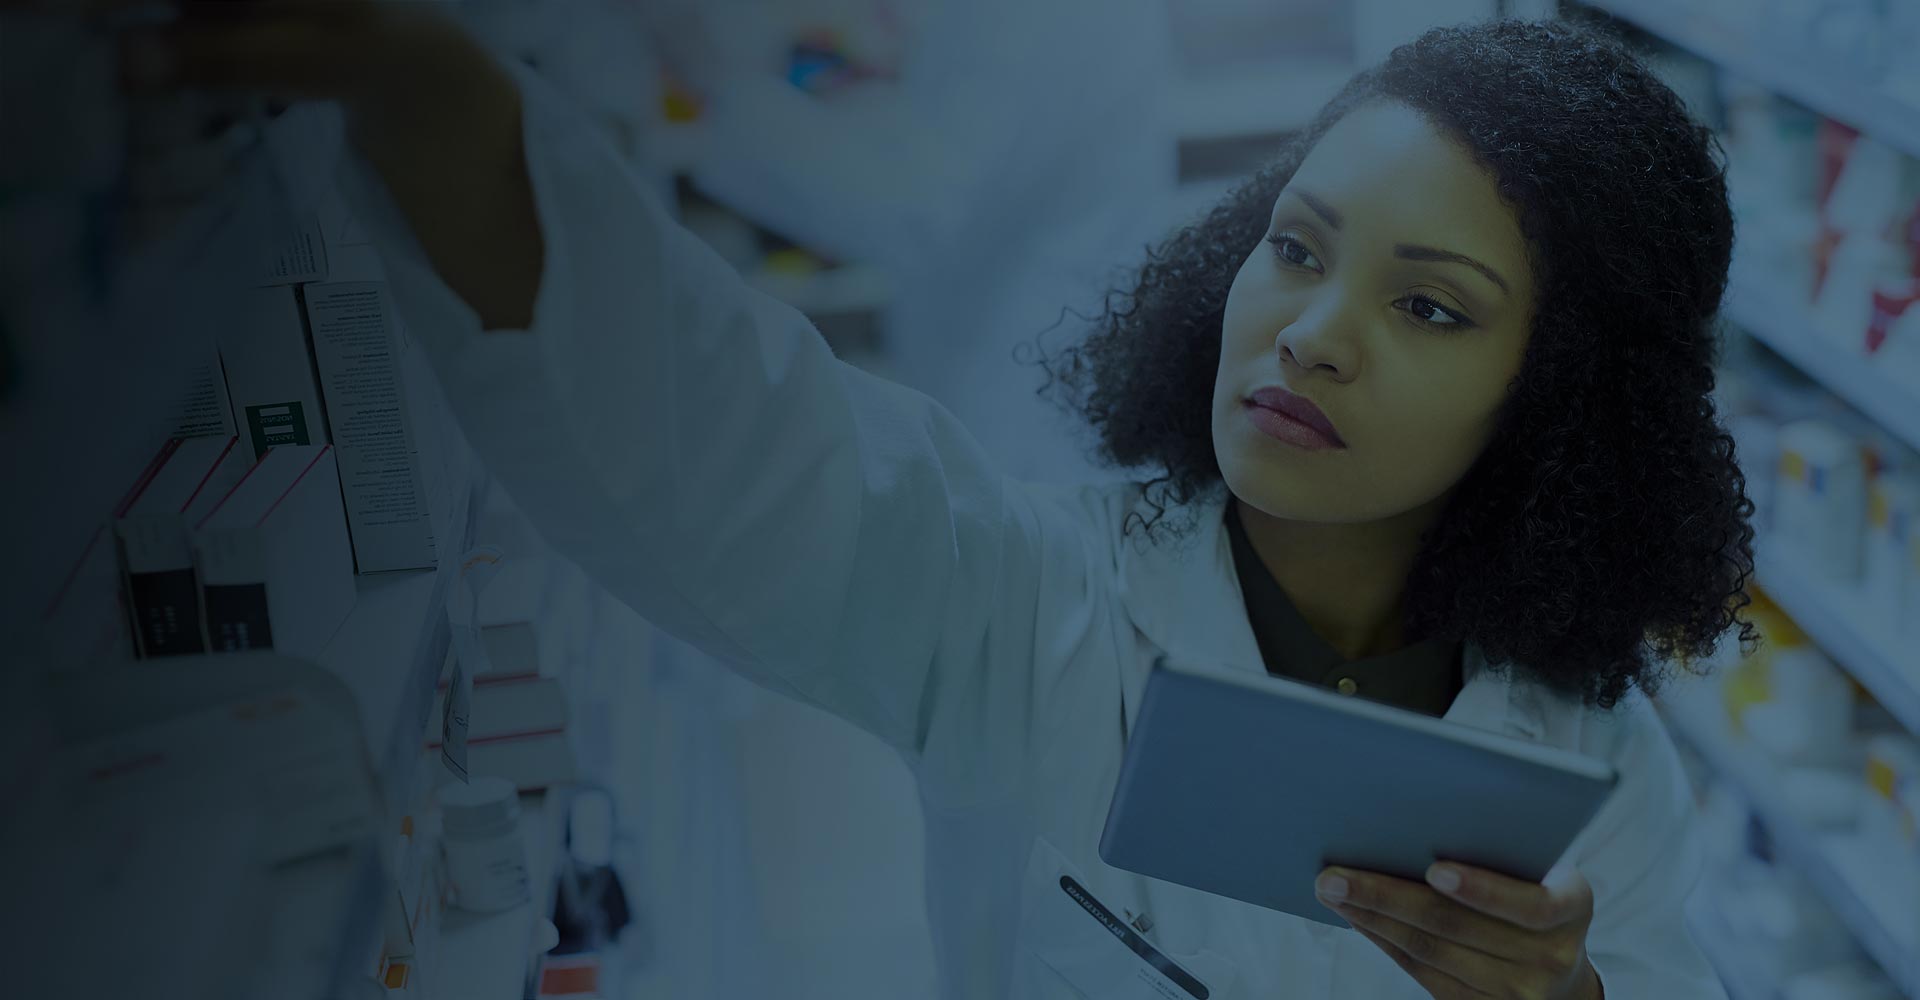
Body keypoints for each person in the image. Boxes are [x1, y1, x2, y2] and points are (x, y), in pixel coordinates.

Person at [119, 7, 1754, 998]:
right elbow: (726, 434)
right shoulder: (1028, 605)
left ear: (1558, 407)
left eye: (1432, 308)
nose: (1312, 332)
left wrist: (1570, 998)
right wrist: (435, 102)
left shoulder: (1600, 778)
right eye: (1299, 247)